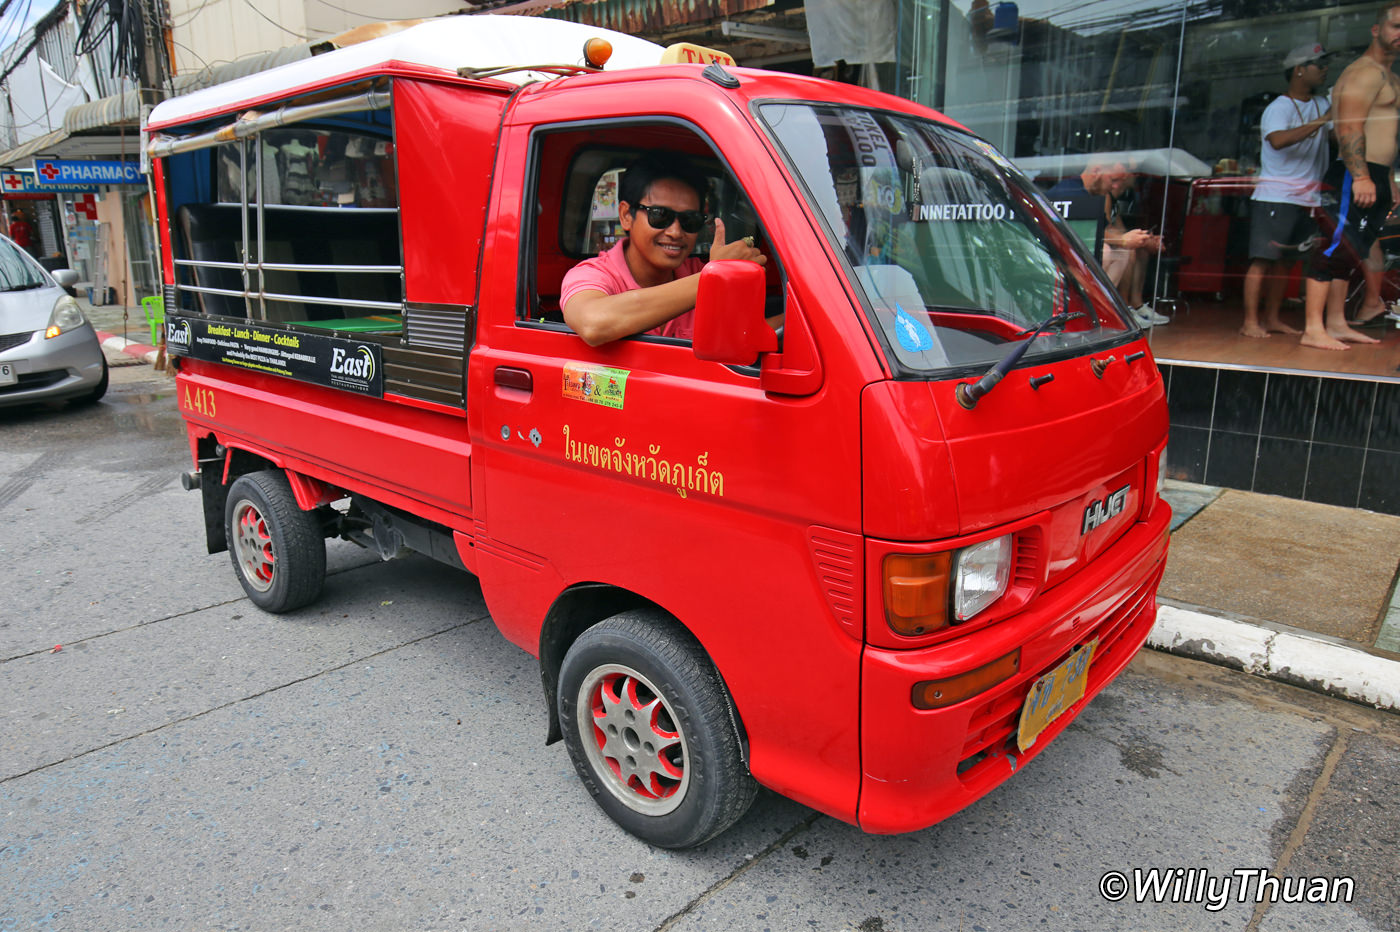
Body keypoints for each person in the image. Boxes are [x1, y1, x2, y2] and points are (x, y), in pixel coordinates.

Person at [561, 153, 766, 346]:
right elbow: (593, 323)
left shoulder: (696, 271)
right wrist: (714, 277)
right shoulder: (592, 275)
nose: (676, 232)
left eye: (689, 220)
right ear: (625, 215)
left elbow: (749, 333)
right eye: (659, 215)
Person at [1301, 3, 1400, 350]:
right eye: (1396, 26)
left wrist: (1386, 179)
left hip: (1375, 173)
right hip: (1353, 174)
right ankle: (1313, 329)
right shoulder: (1364, 73)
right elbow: (1348, 127)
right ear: (1377, 30)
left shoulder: (1390, 76)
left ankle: (1336, 323)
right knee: (1331, 249)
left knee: (1349, 252)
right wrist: (1360, 176)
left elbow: (1382, 134)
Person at [1241, 43, 1332, 339]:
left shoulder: (1321, 103)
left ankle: (1272, 318)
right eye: (1319, 64)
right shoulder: (1278, 108)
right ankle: (1250, 322)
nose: (1325, 69)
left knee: (1286, 263)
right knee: (1262, 261)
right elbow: (1278, 141)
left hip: (1307, 198)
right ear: (1299, 70)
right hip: (1276, 197)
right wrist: (1322, 121)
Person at [1100, 165, 1168, 326]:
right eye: (1130, 171)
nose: (1134, 175)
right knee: (1127, 250)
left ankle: (1137, 304)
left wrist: (1144, 238)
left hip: (1111, 242)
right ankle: (1124, 307)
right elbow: (1105, 231)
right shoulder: (1105, 197)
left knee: (1141, 249)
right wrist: (1127, 240)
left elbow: (1120, 230)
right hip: (1101, 246)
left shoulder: (1115, 200)